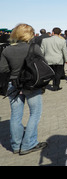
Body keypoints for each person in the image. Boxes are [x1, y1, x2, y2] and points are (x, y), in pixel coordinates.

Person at [0, 23, 48, 155]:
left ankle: (16, 145)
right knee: (35, 114)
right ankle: (28, 144)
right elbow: (43, 64)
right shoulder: (34, 48)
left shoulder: (7, 50)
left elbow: (3, 69)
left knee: (15, 116)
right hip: (31, 84)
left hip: (13, 84)